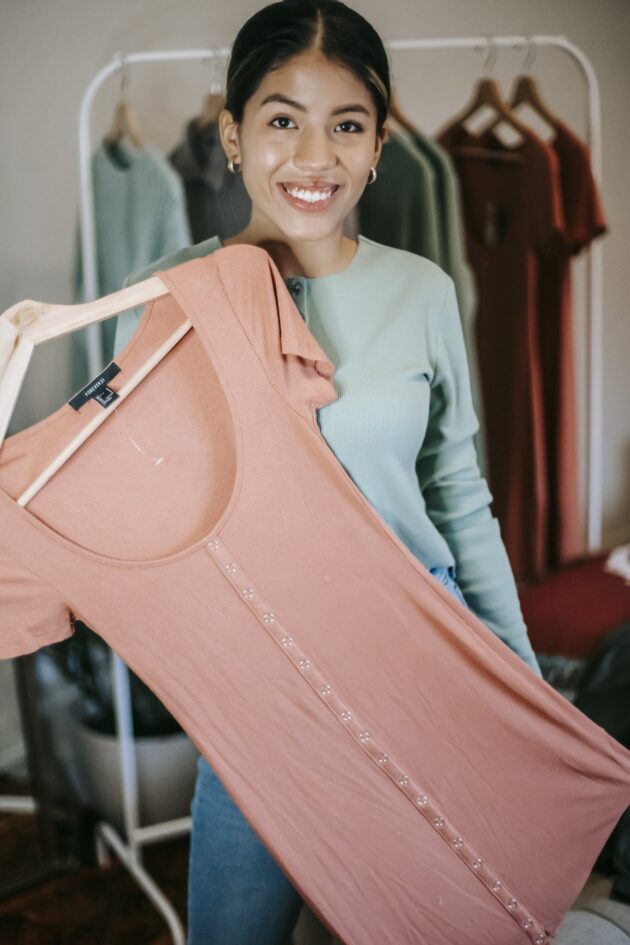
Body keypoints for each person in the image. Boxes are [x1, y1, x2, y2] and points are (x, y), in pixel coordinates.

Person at [115, 2, 542, 942]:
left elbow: (460, 499)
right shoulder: (163, 302)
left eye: (346, 124)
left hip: (424, 657)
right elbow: (144, 523)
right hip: (267, 679)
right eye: (281, 120)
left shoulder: (423, 292)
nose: (316, 155)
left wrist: (520, 682)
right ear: (232, 134)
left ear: (380, 143)